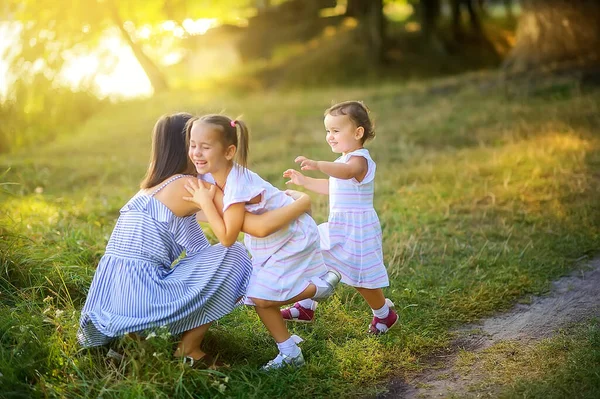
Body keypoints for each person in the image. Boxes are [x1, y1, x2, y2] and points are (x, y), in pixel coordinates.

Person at [77, 112, 314, 368]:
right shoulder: (188, 185)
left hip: (112, 297)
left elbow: (198, 250)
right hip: (141, 293)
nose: (198, 150)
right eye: (194, 142)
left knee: (220, 260)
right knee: (233, 254)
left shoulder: (150, 189)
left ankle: (137, 341)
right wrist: (302, 202)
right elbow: (255, 227)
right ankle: (189, 349)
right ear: (185, 145)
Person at [183, 114, 342, 370]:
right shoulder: (212, 175)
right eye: (193, 145)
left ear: (229, 151)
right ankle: (290, 350)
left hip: (291, 236)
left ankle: (318, 289)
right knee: (259, 297)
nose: (196, 153)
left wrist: (204, 204)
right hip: (272, 239)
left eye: (205, 146)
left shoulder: (236, 186)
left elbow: (226, 237)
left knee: (261, 296)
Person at [281, 101, 398, 335]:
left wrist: (317, 164)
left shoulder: (359, 160)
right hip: (340, 226)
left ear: (358, 133)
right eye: (328, 131)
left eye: (336, 131)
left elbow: (346, 173)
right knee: (314, 256)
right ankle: (305, 307)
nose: (330, 137)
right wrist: (305, 181)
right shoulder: (341, 161)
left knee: (361, 277)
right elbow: (333, 185)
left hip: (358, 228)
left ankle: (385, 315)